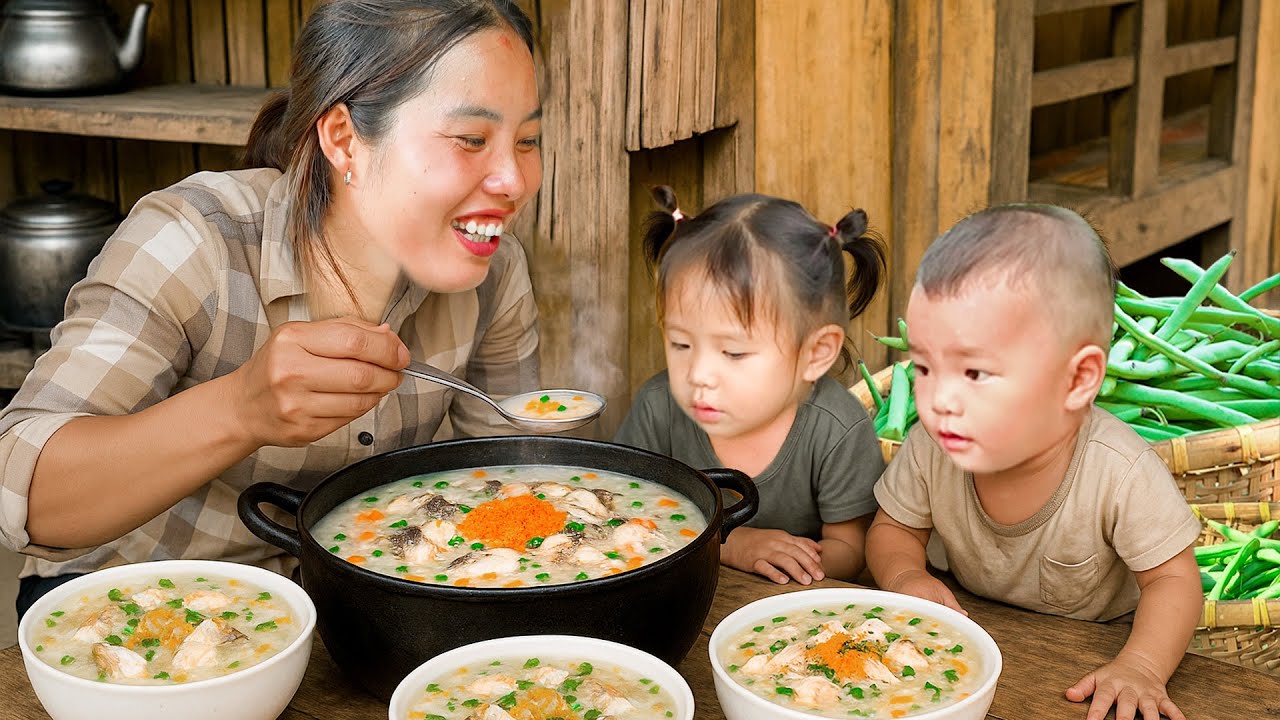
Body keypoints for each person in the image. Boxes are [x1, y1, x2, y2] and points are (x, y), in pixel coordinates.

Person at [0, 0, 544, 616]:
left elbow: (515, 479)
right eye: (472, 140)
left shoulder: (495, 272)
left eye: (527, 140)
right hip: (129, 609)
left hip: (348, 606)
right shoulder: (195, 241)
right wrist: (240, 409)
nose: (514, 181)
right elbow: (22, 492)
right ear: (346, 140)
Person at [865, 204, 1202, 720]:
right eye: (926, 367)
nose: (940, 401)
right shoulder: (934, 446)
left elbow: (1173, 582)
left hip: (1090, 655)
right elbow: (893, 529)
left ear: (1077, 380)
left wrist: (1141, 665)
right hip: (971, 639)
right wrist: (905, 575)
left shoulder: (1118, 470)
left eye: (975, 373)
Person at [614, 186, 887, 585]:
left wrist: (788, 565)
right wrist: (730, 543)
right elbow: (623, 510)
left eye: (734, 352)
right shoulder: (658, 408)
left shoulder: (836, 428)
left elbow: (851, 547)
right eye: (681, 344)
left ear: (815, 353)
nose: (699, 373)